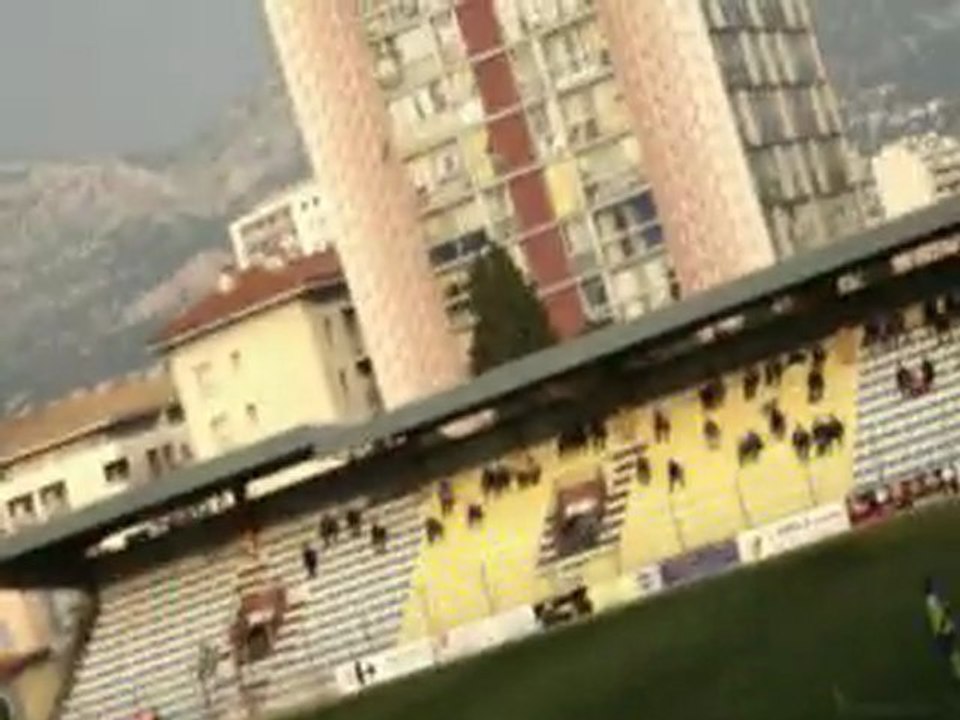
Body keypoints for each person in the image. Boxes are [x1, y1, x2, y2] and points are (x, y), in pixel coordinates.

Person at [924, 577, 960, 681]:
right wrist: (946, 609)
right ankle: (958, 670)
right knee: (951, 652)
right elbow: (940, 615)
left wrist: (945, 607)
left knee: (951, 652)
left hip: (944, 630)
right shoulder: (932, 603)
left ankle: (957, 670)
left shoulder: (932, 602)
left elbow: (940, 613)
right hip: (944, 630)